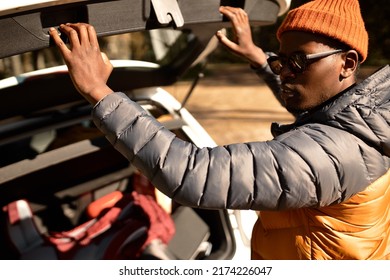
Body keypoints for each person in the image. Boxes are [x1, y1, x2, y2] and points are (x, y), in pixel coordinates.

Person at [49, 0, 389, 260]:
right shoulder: (362, 118)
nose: (285, 72)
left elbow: (196, 174)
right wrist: (259, 59)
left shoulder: (334, 154)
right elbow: (319, 107)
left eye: (298, 61)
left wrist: (99, 92)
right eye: (281, 61)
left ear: (347, 63)